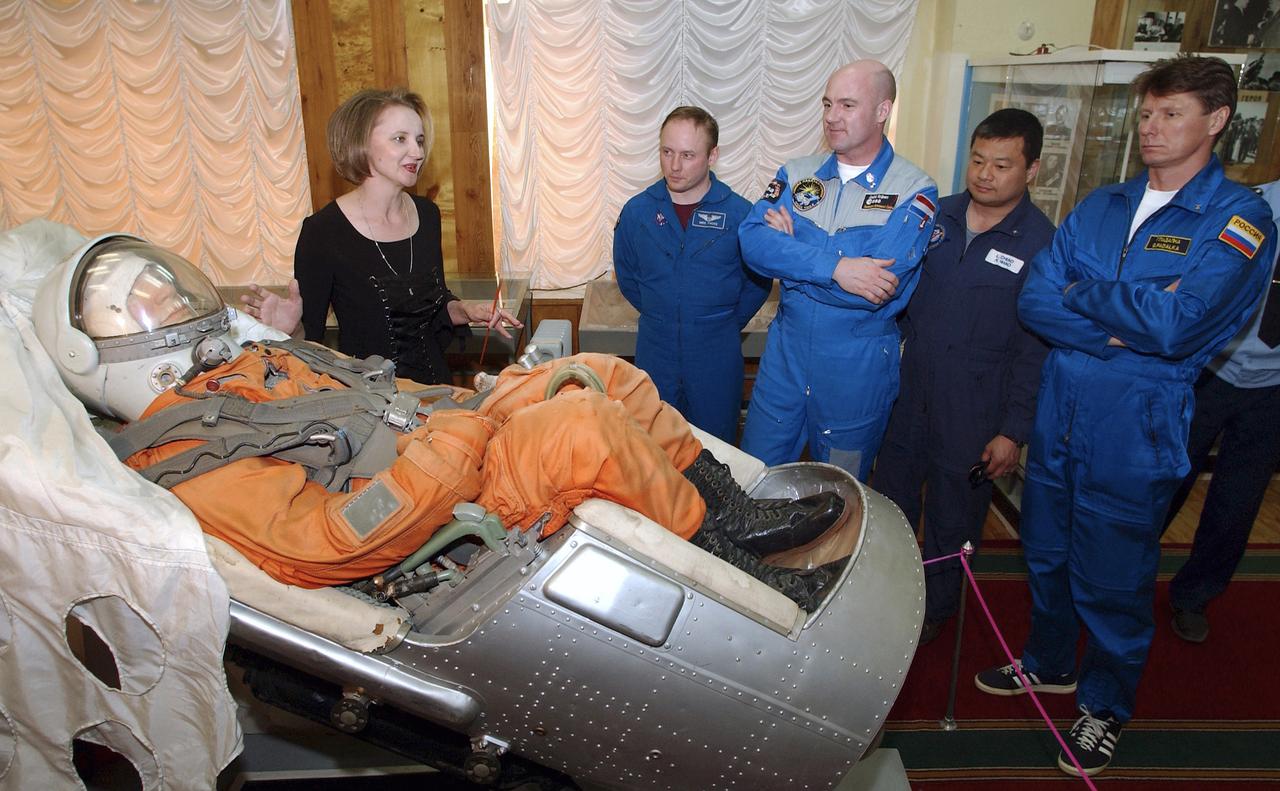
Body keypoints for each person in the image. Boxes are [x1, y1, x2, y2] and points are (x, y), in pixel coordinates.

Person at [35, 235, 846, 611]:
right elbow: (330, 538)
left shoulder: (243, 370)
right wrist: (456, 440)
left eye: (168, 292)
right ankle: (748, 580)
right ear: (96, 354)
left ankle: (738, 518)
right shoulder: (186, 455)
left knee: (604, 373)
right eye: (150, 307)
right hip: (440, 512)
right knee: (582, 428)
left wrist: (456, 406)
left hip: (446, 439)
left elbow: (356, 397)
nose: (175, 306)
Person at [974, 56, 1275, 778]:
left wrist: (1090, 294)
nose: (1151, 126)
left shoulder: (1239, 216)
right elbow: (1036, 300)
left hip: (1137, 422)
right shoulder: (1104, 203)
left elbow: (1181, 326)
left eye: (1171, 113)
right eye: (1147, 113)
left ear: (1217, 121)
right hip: (1061, 413)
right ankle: (1049, 662)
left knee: (1113, 578)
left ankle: (1105, 705)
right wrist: (1117, 311)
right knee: (1044, 552)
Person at [872, 109, 1054, 646]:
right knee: (891, 504)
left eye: (1002, 164)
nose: (985, 174)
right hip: (908, 396)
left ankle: (937, 610)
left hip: (976, 411)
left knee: (954, 520)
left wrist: (1013, 430)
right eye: (978, 160)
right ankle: (886, 595)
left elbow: (1035, 348)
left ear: (1032, 170)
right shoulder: (935, 216)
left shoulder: (1042, 244)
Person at [737, 60, 938, 480]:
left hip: (856, 369)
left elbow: (876, 288)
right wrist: (836, 266)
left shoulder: (914, 190)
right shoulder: (797, 174)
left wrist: (791, 253)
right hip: (785, 361)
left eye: (847, 105)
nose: (831, 116)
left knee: (840, 495)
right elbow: (752, 242)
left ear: (883, 111)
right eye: (828, 104)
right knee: (754, 479)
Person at [240, 88, 521, 384]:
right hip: (369, 405)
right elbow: (311, 346)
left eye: (420, 139)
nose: (418, 152)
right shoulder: (323, 232)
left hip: (435, 392)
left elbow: (431, 306)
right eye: (401, 139)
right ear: (361, 143)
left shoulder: (428, 215)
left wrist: (464, 310)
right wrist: (290, 330)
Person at [1161, 178, 1280, 644]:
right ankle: (1121, 579)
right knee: (1166, 481)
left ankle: (1194, 595)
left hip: (1273, 387)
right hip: (1210, 369)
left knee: (1239, 499)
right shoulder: (1245, 205)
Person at [613, 106, 771, 443]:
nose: (674, 166)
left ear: (713, 155)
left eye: (688, 155)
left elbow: (757, 283)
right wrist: (666, 313)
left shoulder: (741, 215)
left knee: (717, 455)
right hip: (656, 351)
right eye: (667, 152)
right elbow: (628, 277)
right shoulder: (638, 211)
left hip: (716, 355)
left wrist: (718, 322)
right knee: (654, 453)